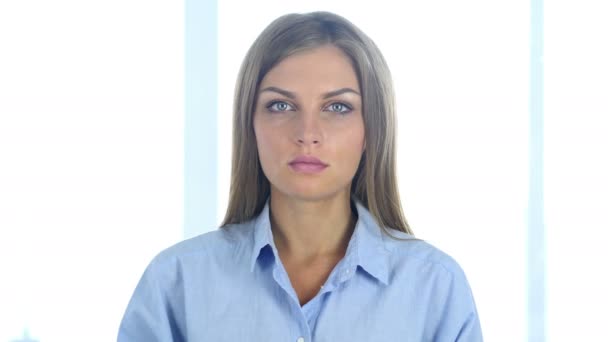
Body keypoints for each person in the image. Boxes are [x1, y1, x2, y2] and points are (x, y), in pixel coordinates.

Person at [118, 11, 483, 341]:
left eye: (337, 107)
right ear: (251, 125)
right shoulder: (175, 284)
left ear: (371, 129)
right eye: (281, 105)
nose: (307, 132)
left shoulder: (435, 289)